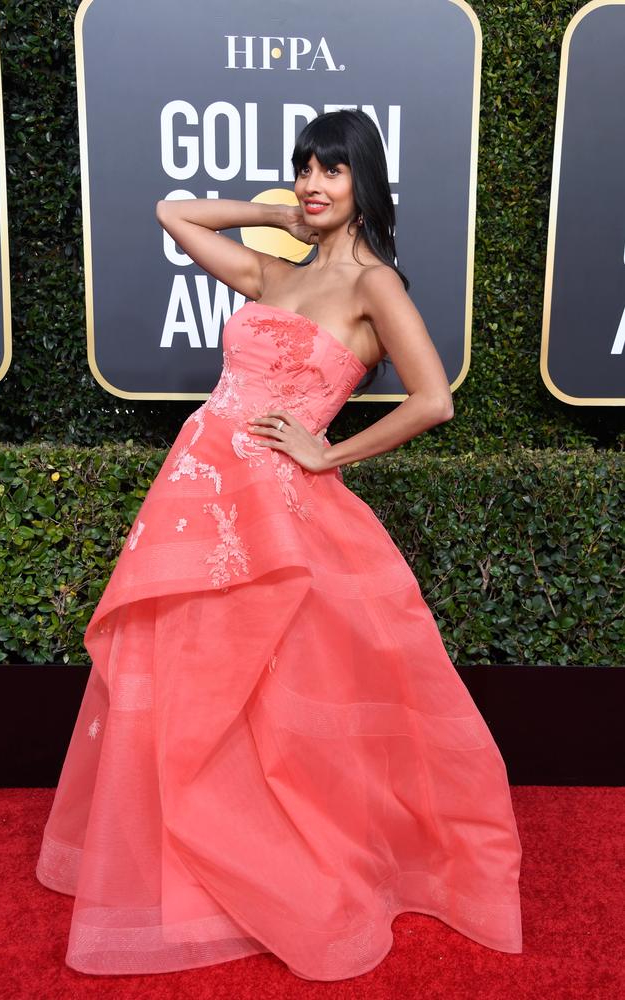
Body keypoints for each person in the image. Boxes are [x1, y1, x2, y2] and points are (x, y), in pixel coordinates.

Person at [36, 109, 522, 981]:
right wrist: (274, 217)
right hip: (195, 489)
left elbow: (433, 399)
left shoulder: (376, 287)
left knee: (272, 688)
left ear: (364, 182)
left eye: (330, 170)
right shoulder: (271, 272)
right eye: (302, 168)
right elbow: (172, 213)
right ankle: (181, 862)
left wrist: (324, 451)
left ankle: (280, 861)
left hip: (275, 502)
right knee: (185, 670)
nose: (311, 183)